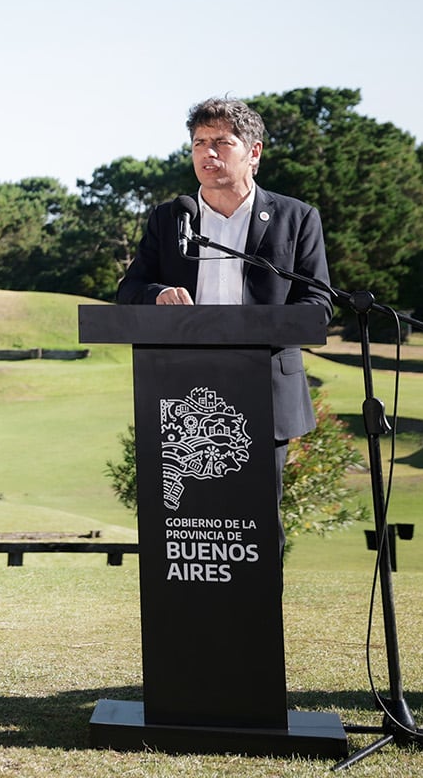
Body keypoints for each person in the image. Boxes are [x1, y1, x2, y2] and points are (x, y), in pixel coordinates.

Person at [116, 97, 332, 497]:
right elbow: (129, 290)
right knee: (185, 517)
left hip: (264, 389)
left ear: (254, 152)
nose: (208, 153)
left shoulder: (296, 217)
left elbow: (317, 304)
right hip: (182, 393)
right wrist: (158, 295)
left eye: (221, 142)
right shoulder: (170, 218)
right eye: (199, 143)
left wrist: (260, 327)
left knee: (258, 519)